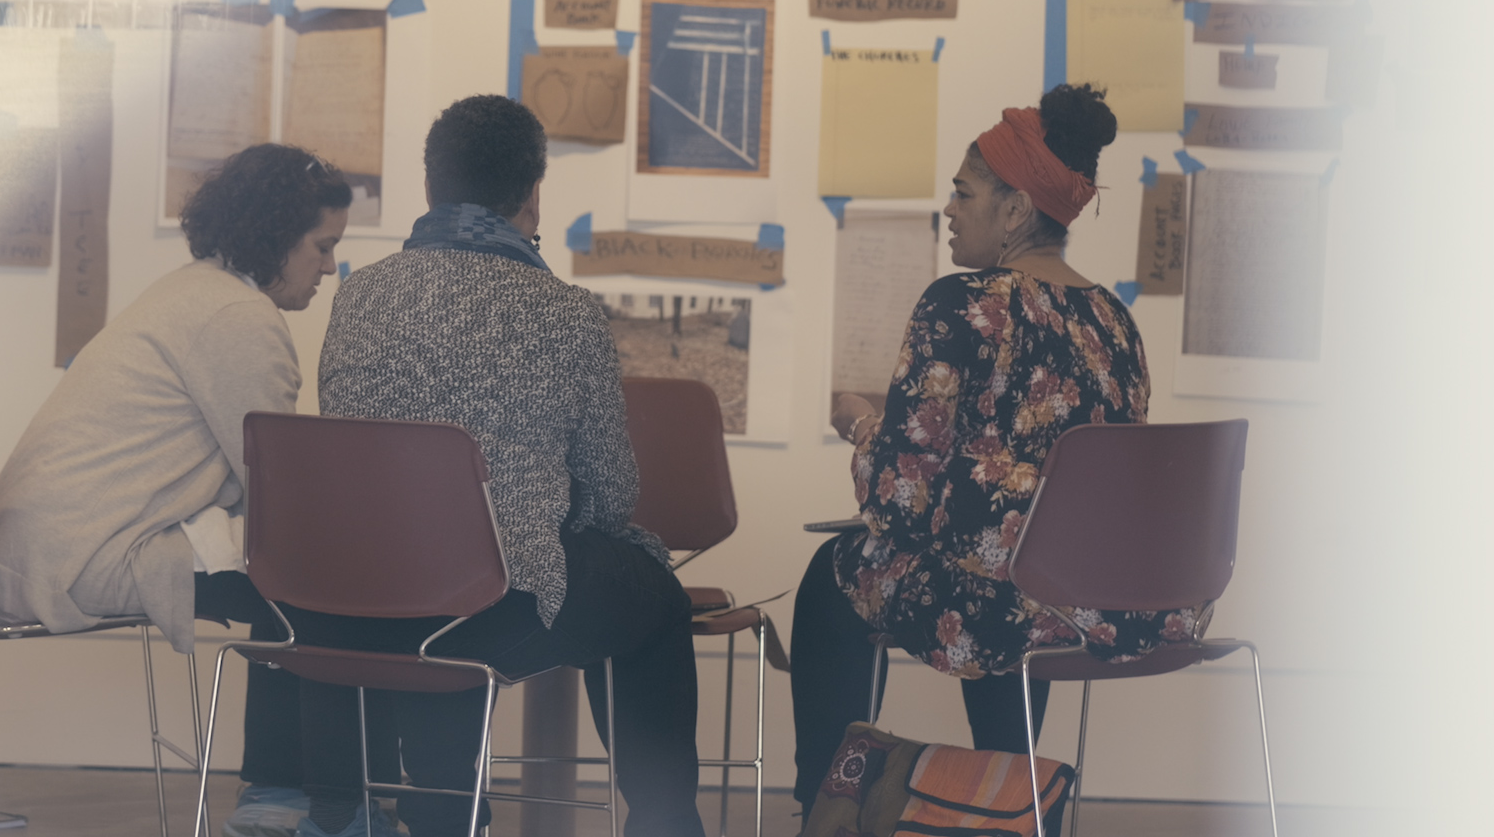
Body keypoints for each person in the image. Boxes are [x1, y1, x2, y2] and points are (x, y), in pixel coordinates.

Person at [787, 84, 1209, 821]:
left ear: (1015, 210)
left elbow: (900, 499)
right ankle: (1012, 797)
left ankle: (828, 809)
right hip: (1113, 600)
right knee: (1008, 556)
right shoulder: (1114, 321)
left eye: (963, 191)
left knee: (836, 575)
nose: (948, 209)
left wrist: (865, 429)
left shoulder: (961, 303)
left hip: (1013, 601)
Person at [292, 95, 705, 837]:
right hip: (493, 610)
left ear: (429, 189)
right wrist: (545, 519)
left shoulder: (357, 296)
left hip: (358, 605)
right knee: (653, 598)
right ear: (533, 193)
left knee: (436, 576)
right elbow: (612, 496)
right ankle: (666, 824)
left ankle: (447, 813)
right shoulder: (566, 312)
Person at [0, 143, 353, 837]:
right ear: (276, 237)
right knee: (316, 582)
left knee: (293, 575)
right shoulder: (238, 317)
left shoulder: (191, 288)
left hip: (46, 541)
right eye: (322, 247)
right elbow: (280, 487)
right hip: (86, 556)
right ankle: (302, 803)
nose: (329, 266)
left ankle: (281, 793)